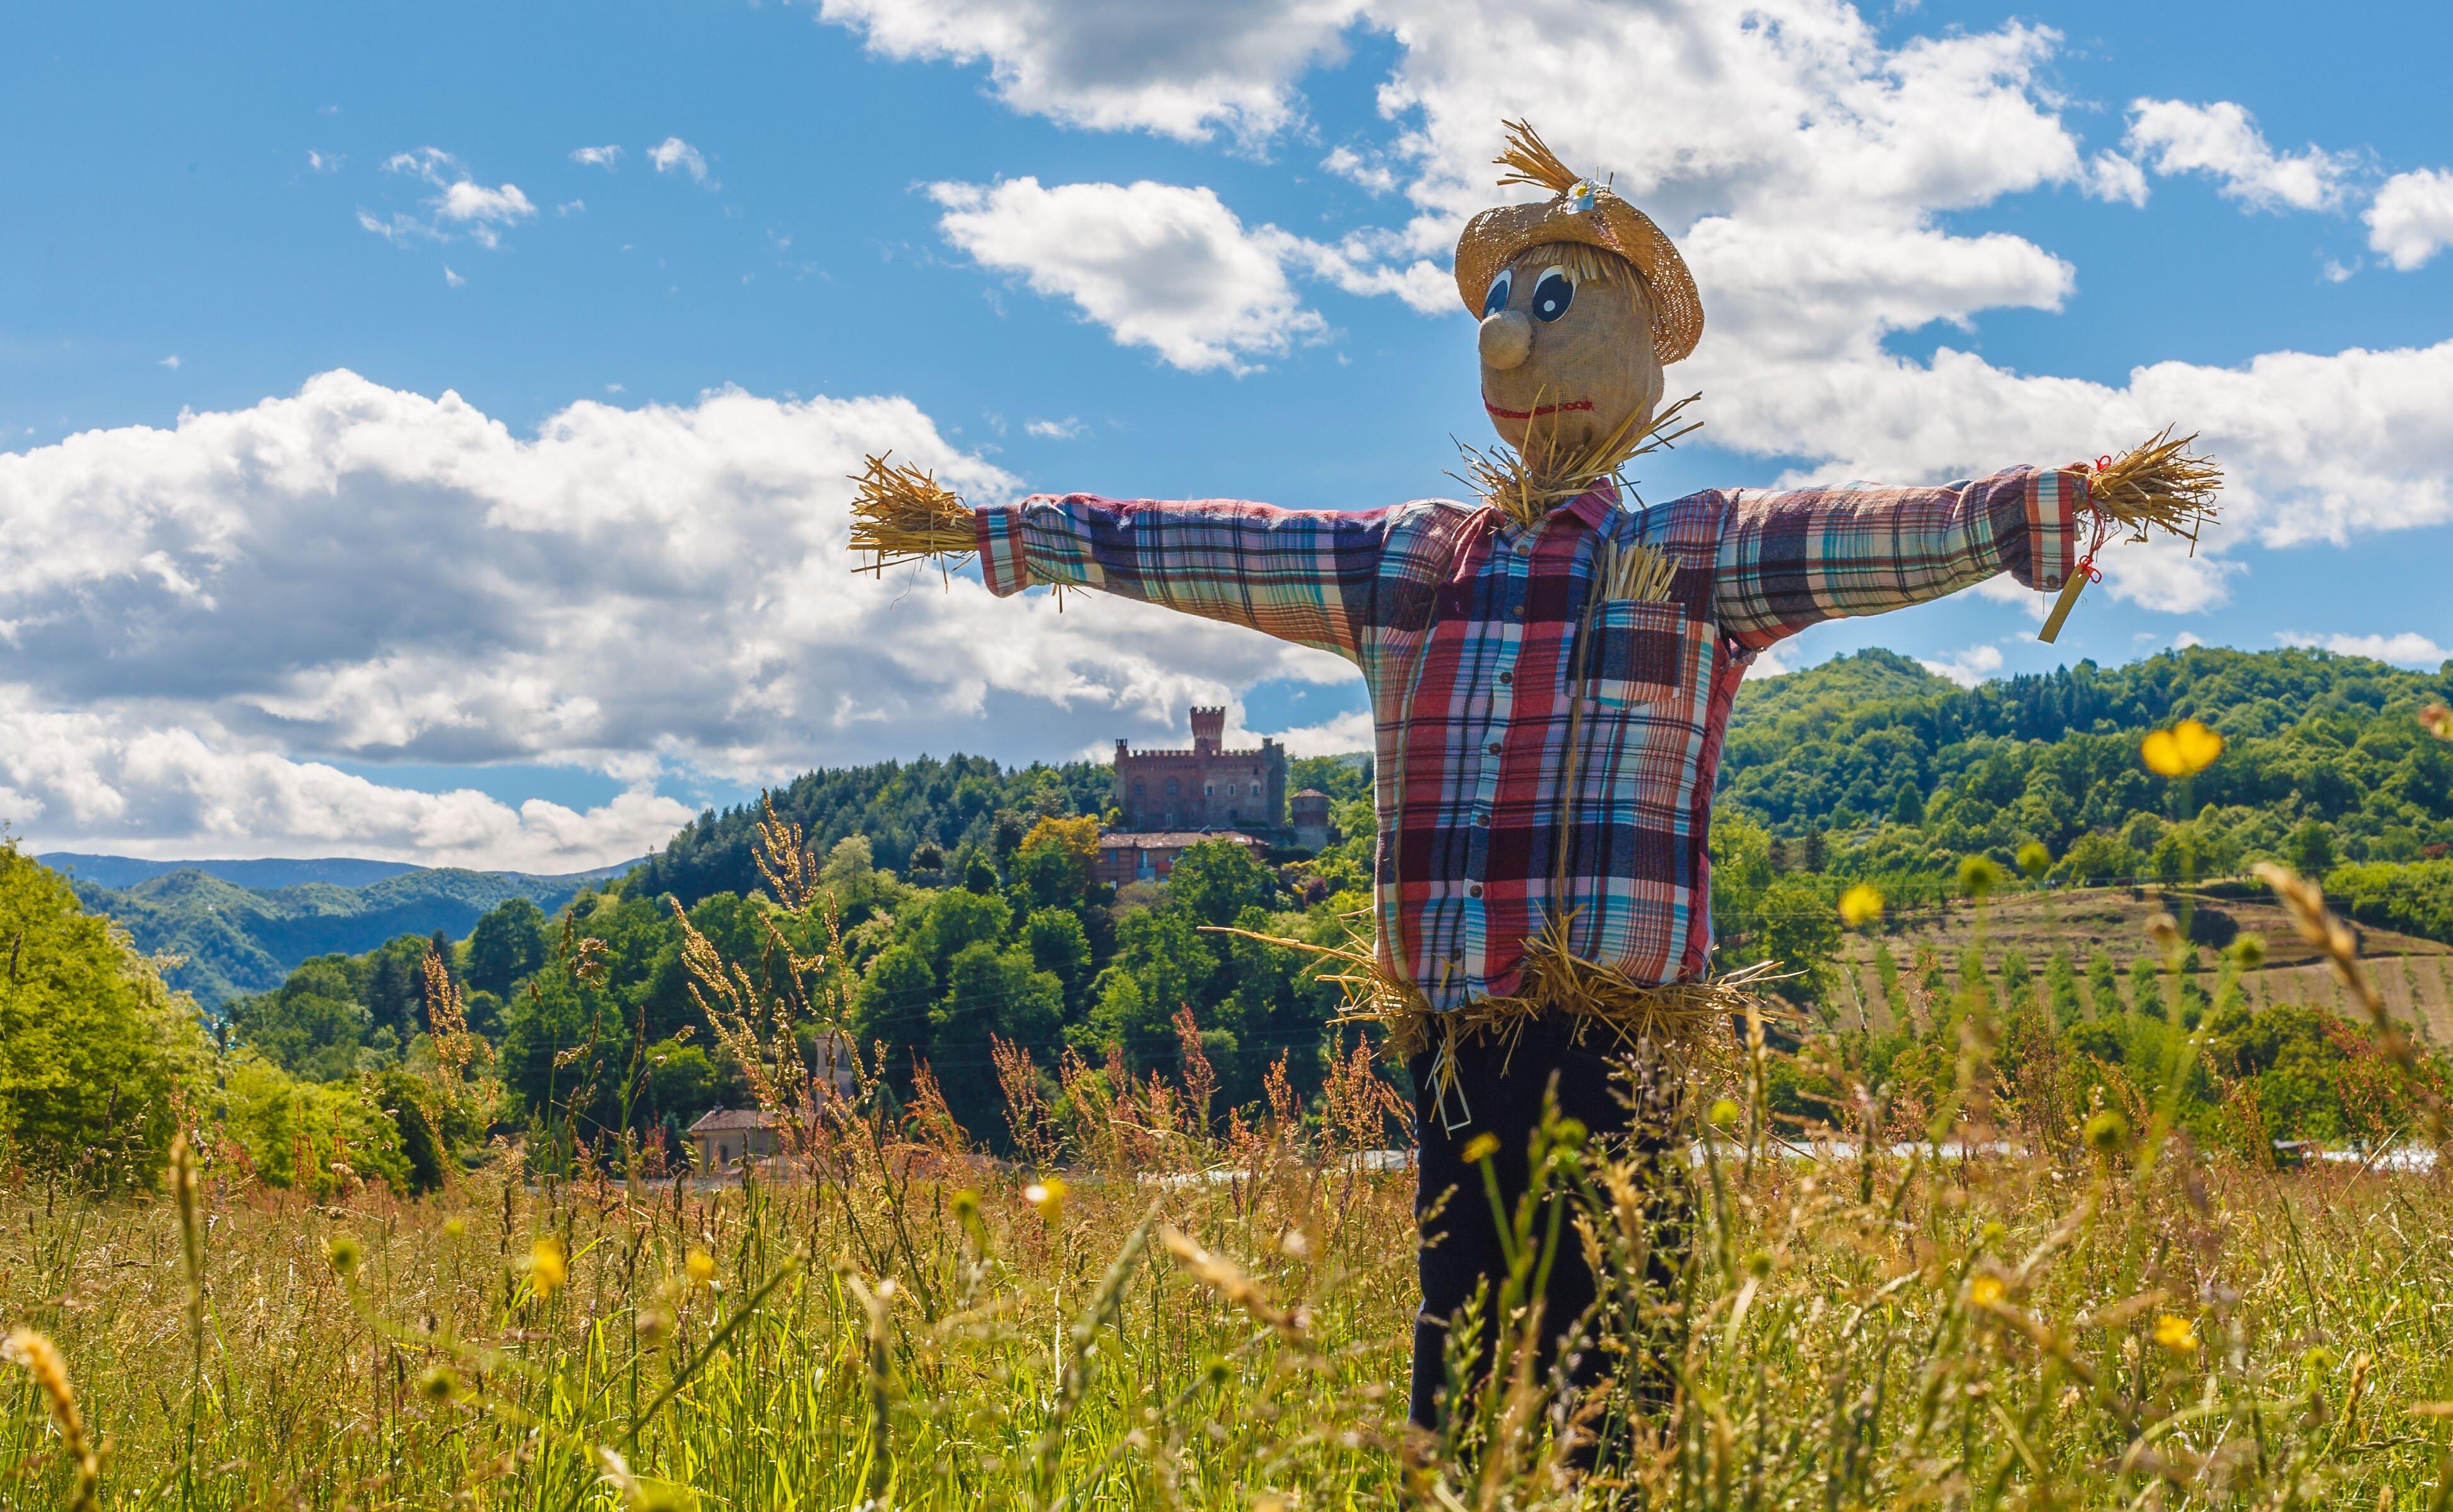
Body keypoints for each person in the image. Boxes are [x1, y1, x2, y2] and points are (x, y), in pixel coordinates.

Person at [854, 119, 2216, 1472]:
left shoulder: (1689, 557)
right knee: (1460, 1352)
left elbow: (1868, 532)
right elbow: (1217, 545)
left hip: (1621, 1028)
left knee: (1616, 1356)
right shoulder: (1409, 564)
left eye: (1546, 307)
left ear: (1630, 355)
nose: (1508, 336)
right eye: (1501, 307)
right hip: (1455, 1029)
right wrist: (1015, 532)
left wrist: (2034, 508)